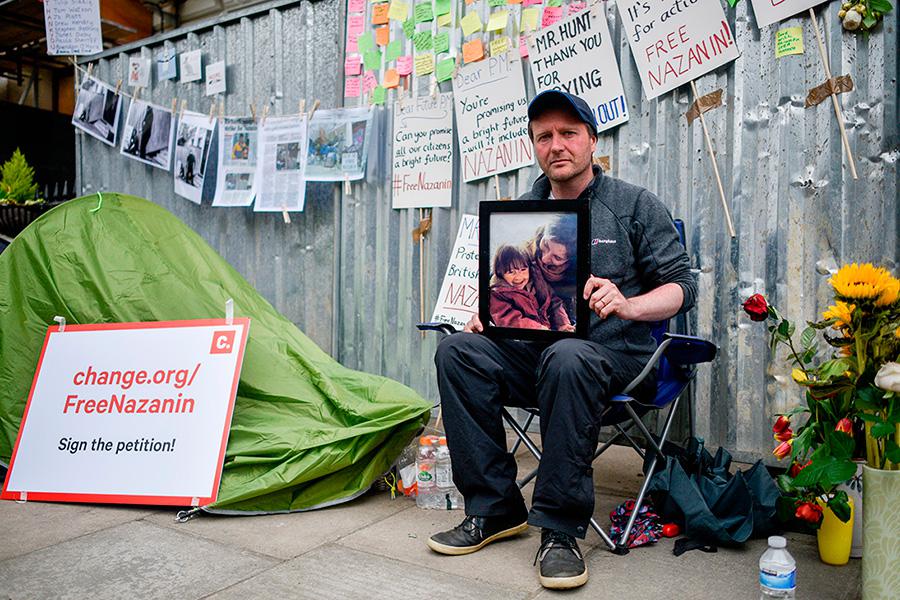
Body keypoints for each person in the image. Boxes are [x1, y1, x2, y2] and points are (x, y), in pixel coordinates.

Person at [427, 90, 697, 590]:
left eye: (569, 133)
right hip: (537, 357)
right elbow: (511, 289)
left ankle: (559, 530)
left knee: (569, 356)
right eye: (544, 136)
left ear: (592, 141)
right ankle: (494, 509)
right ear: (534, 145)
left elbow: (685, 287)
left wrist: (629, 303)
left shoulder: (634, 205)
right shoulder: (523, 215)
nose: (557, 145)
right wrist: (491, 316)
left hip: (615, 362)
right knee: (457, 350)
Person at [489, 244, 572, 331]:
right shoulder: (497, 294)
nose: (518, 277)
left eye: (523, 270)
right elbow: (509, 319)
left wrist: (562, 324)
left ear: (529, 268)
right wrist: (537, 328)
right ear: (500, 273)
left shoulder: (538, 282)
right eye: (511, 272)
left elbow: (554, 303)